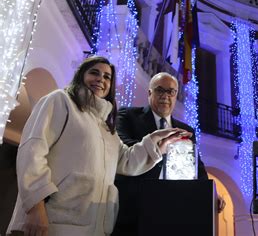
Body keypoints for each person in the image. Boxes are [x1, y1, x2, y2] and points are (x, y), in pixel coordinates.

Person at [6, 56, 190, 236]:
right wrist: (35, 207)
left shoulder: (105, 125)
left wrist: (157, 142)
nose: (101, 79)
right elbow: (32, 152)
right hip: (51, 221)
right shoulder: (60, 100)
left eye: (107, 77)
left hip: (92, 227)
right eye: (94, 73)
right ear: (81, 76)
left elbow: (126, 160)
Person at [113, 72, 225, 235]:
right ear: (149, 93)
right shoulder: (127, 116)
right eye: (160, 90)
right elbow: (125, 149)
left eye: (171, 91)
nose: (165, 96)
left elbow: (197, 168)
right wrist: (160, 146)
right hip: (134, 208)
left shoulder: (186, 130)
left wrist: (211, 194)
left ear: (176, 95)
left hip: (173, 208)